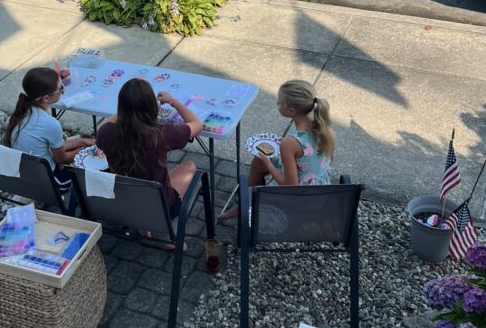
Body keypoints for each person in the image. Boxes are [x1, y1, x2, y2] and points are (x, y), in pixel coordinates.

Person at [220, 80, 335, 219]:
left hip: (300, 201)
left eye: (280, 102)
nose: (277, 104)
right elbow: (328, 160)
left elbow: (290, 187)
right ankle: (245, 204)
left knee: (262, 161)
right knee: (258, 161)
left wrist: (269, 163)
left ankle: (246, 206)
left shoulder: (289, 143)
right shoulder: (321, 125)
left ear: (291, 111)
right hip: (321, 192)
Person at [95, 77, 203, 222]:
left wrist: (126, 111)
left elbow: (102, 127)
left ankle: (143, 227)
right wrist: (173, 101)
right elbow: (197, 124)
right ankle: (152, 227)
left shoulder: (106, 132)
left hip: (125, 202)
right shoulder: (161, 134)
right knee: (189, 166)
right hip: (161, 208)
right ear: (152, 106)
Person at [2, 67, 94, 186]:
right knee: (91, 169)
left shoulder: (22, 112)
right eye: (61, 89)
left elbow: (52, 147)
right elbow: (61, 159)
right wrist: (85, 151)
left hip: (22, 174)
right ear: (46, 98)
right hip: (47, 181)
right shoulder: (50, 123)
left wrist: (81, 142)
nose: (62, 90)